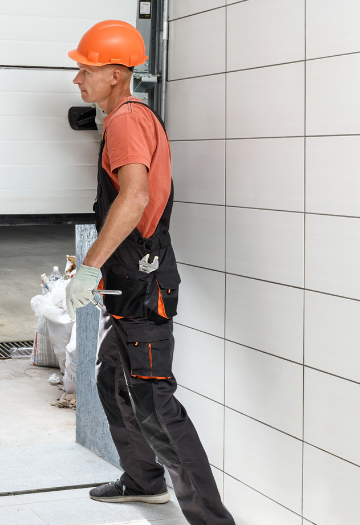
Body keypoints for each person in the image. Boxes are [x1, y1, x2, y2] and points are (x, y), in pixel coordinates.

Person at [62, 20, 235, 525]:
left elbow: (135, 197)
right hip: (134, 281)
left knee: (156, 405)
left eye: (85, 69)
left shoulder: (125, 121)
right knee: (112, 376)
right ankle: (143, 480)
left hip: (143, 283)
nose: (78, 79)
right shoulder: (127, 118)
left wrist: (89, 267)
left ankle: (210, 519)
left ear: (116, 74)